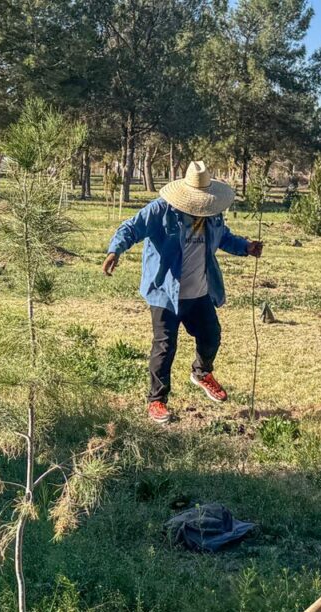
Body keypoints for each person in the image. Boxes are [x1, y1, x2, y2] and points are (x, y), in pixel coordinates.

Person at [103, 161, 263, 424]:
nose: (200, 206)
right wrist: (114, 251)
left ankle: (201, 373)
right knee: (165, 346)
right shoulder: (161, 210)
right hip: (166, 293)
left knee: (211, 335)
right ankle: (156, 400)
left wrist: (246, 247)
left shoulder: (213, 214)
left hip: (199, 292)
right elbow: (130, 228)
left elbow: (224, 237)